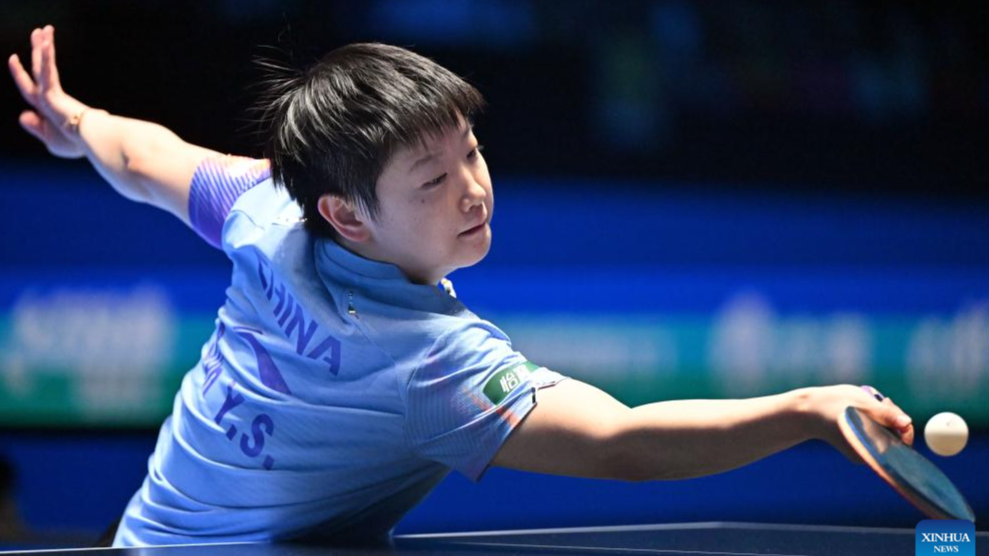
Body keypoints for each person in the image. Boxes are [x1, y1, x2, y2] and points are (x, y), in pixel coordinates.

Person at [9, 25, 916, 548]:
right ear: (346, 214)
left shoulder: (266, 207)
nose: (473, 190)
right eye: (431, 180)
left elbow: (145, 156)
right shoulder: (429, 365)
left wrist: (75, 121)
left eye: (471, 153)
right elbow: (622, 443)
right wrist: (802, 410)